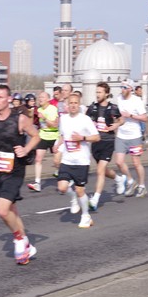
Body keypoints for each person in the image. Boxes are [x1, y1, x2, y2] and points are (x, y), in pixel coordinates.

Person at [0, 83, 40, 264]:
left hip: (15, 169)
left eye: (1, 97)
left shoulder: (20, 119)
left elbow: (36, 136)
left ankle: (19, 239)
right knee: (11, 210)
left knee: (2, 210)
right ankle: (26, 245)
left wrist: (26, 149)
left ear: (9, 99)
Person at [56, 93, 98, 228]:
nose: (73, 105)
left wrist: (83, 138)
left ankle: (86, 216)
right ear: (67, 105)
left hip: (81, 161)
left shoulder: (85, 119)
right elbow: (62, 136)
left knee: (80, 190)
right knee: (62, 187)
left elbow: (96, 137)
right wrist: (58, 149)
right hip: (67, 160)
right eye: (71, 103)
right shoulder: (63, 119)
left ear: (79, 105)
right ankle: (73, 197)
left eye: (75, 103)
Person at [84, 82, 122, 213]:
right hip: (96, 142)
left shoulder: (113, 108)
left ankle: (95, 199)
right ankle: (118, 179)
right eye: (97, 92)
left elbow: (121, 119)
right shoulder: (92, 107)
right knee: (103, 170)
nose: (97, 94)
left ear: (106, 94)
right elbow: (84, 120)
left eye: (100, 92)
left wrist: (116, 125)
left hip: (108, 142)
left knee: (100, 170)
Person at [113, 81, 148, 197]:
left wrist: (131, 115)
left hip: (134, 136)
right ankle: (131, 181)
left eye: (124, 87)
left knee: (136, 163)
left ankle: (142, 186)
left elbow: (145, 118)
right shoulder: (119, 98)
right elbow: (118, 115)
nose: (122, 89)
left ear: (130, 89)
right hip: (121, 135)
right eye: (121, 87)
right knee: (119, 162)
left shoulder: (136, 101)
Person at [31, 92, 59, 191]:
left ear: (48, 99)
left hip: (54, 136)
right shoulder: (39, 109)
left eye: (42, 97)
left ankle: (63, 176)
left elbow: (55, 125)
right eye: (39, 97)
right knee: (38, 159)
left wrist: (44, 118)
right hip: (43, 136)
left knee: (57, 161)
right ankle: (37, 183)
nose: (40, 99)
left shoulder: (53, 109)